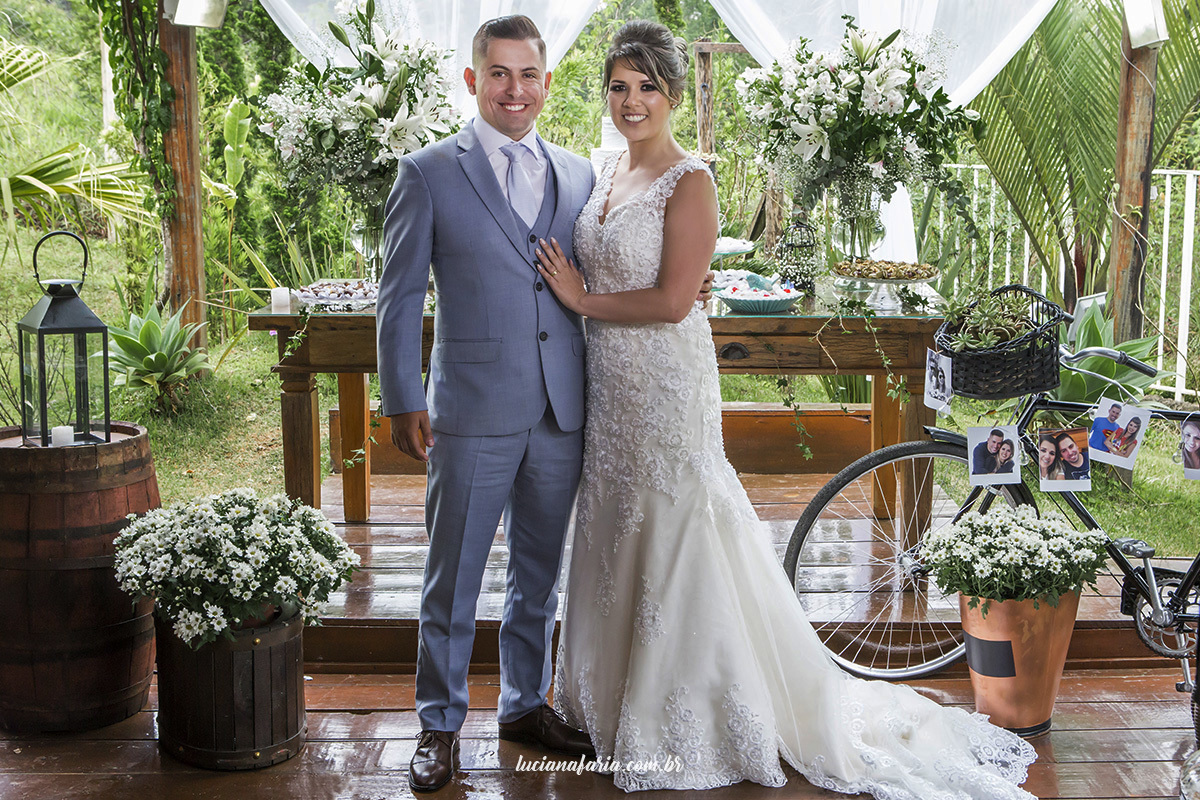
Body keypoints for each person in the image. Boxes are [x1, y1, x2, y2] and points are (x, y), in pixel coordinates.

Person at [535, 20, 1036, 798]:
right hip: (612, 392)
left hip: (666, 382)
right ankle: (604, 695)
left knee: (678, 517)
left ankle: (694, 709)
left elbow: (674, 301)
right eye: (618, 86)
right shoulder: (600, 174)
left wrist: (581, 297)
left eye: (646, 87)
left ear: (670, 94)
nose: (631, 102)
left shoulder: (689, 180)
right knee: (616, 515)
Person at [376, 16, 599, 792]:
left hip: (560, 411)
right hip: (467, 411)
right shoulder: (429, 171)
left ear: (545, 81)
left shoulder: (579, 176)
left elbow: (605, 274)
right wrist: (403, 396)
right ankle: (437, 723)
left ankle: (521, 705)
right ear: (473, 81)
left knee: (539, 575)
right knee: (454, 576)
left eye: (528, 74)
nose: (515, 89)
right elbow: (399, 298)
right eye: (499, 74)